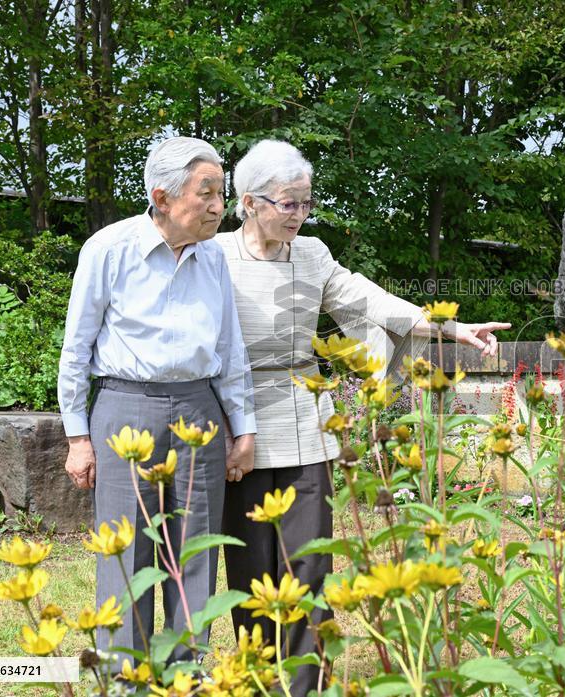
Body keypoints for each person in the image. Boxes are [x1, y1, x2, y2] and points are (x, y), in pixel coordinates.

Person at [217, 139, 509, 695]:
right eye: (287, 204)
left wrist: (452, 328)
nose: (299, 215)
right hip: (242, 423)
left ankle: (305, 686)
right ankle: (257, 680)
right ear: (250, 203)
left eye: (306, 203)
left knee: (309, 568)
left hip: (308, 423)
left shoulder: (313, 255)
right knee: (253, 574)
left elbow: (368, 303)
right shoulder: (215, 257)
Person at [58, 136, 257, 662]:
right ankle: (124, 679)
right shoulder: (109, 248)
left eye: (221, 193)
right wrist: (78, 436)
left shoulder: (213, 259)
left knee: (195, 550)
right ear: (163, 197)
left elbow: (229, 350)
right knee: (126, 551)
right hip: (125, 408)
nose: (218, 206)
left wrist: (245, 429)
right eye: (206, 192)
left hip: (200, 412)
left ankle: (186, 673)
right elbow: (76, 348)